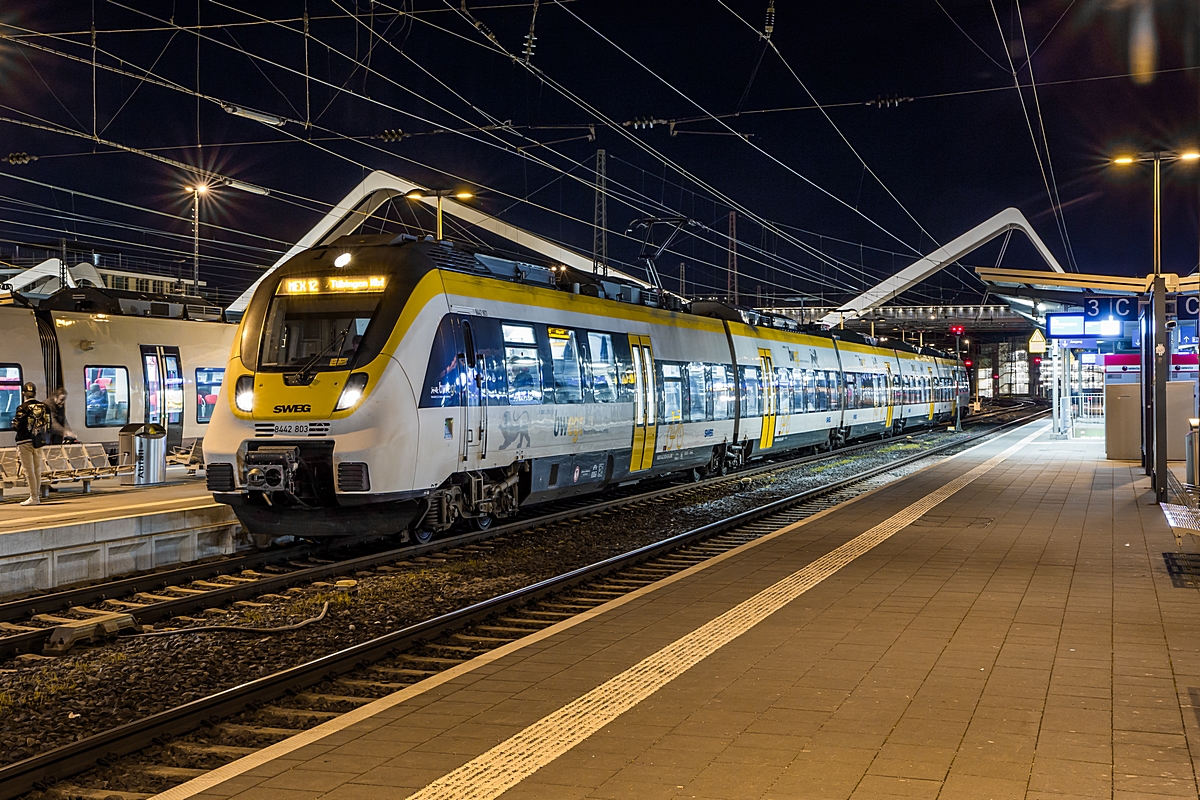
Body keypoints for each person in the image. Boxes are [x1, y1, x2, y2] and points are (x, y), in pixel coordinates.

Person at [12, 383, 52, 506]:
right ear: (34, 393)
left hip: (24, 442)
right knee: (37, 469)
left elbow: (16, 426)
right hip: (38, 442)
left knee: (29, 470)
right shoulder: (45, 407)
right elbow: (48, 425)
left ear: (23, 393)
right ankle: (36, 497)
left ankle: (33, 497)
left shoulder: (22, 408)